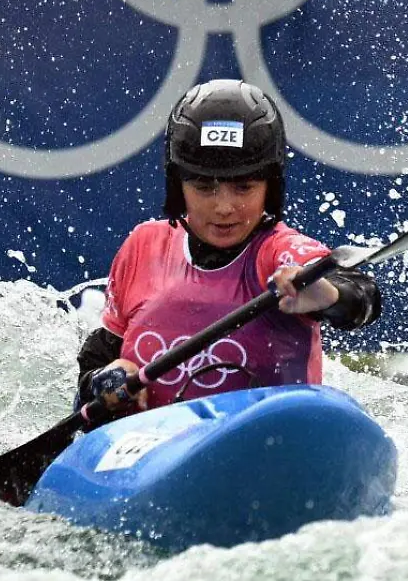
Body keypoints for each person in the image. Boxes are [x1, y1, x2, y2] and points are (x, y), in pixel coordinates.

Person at [75, 79, 381, 414]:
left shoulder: (281, 252)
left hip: (267, 442)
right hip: (150, 448)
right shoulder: (144, 245)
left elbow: (362, 298)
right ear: (179, 186)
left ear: (270, 186)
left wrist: (327, 297)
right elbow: (98, 355)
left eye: (244, 187)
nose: (224, 207)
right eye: (205, 188)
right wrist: (104, 378)